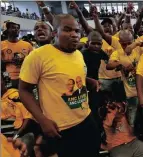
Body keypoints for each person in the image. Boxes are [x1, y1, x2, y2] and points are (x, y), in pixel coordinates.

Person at [18, 14, 100, 157]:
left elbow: (70, 75)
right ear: (55, 33)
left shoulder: (78, 54)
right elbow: (24, 91)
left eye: (77, 31)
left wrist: (88, 80)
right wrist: (42, 121)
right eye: (67, 30)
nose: (74, 35)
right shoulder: (38, 56)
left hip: (86, 118)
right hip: (60, 128)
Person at [1, 21, 33, 89]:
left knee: (25, 97)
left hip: (25, 77)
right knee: (10, 96)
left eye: (17, 28)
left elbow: (33, 62)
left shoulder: (27, 45)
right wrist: (9, 61)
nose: (16, 29)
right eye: (13, 27)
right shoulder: (2, 45)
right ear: (7, 30)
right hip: (8, 77)